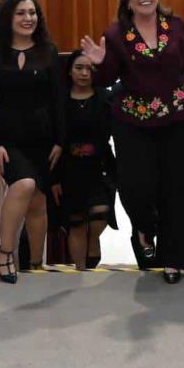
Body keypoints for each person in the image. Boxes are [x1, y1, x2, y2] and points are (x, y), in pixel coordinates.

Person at [80, 0, 184, 285]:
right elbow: (107, 78)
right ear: (127, 1)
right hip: (133, 124)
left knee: (176, 191)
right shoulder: (115, 35)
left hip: (178, 119)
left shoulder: (175, 26)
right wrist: (98, 62)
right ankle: (144, 228)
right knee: (137, 188)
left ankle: (173, 260)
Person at [0, 0, 66, 282]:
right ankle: (5, 251)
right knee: (24, 184)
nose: (28, 18)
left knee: (39, 200)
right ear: (8, 17)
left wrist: (60, 141)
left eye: (32, 13)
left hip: (42, 139)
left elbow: (59, 101)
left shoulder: (48, 51)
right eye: (21, 13)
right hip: (6, 139)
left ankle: (36, 264)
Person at [61, 50, 117, 271]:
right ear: (69, 70)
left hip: (100, 168)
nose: (84, 73)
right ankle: (80, 270)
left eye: (90, 69)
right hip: (69, 170)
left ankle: (93, 241)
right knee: (76, 223)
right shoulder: (60, 100)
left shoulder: (106, 97)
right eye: (79, 68)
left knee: (100, 214)